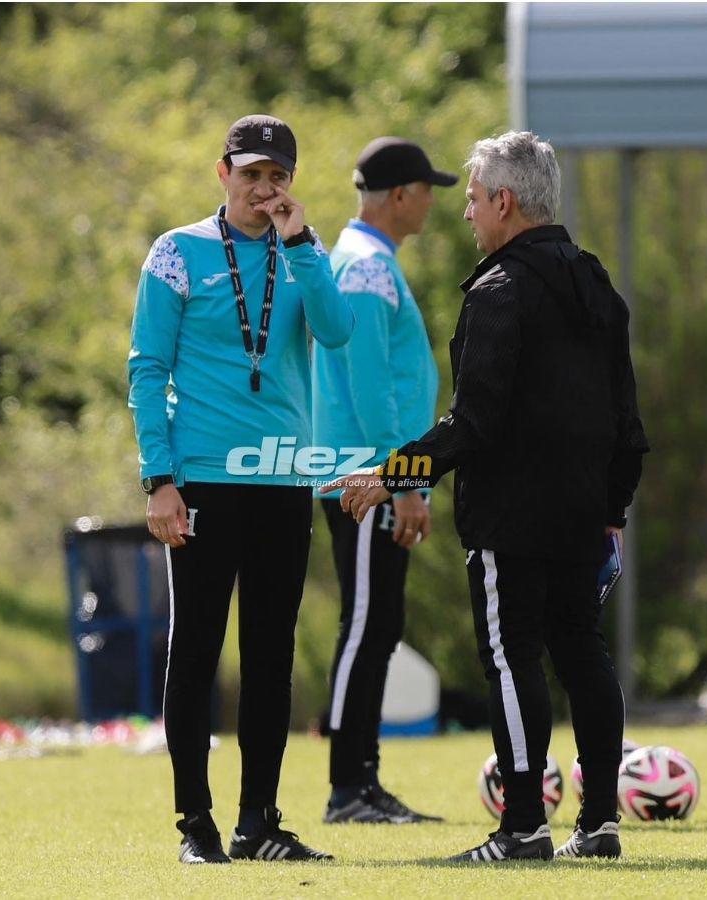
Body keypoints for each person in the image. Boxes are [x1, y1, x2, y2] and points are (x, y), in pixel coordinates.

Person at [322, 131, 649, 862]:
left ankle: (523, 825)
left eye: (473, 199)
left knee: (510, 657)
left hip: (513, 516)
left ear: (504, 202)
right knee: (583, 653)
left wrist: (392, 473)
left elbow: (476, 423)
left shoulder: (500, 290)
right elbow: (629, 423)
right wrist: (611, 512)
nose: (466, 214)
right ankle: (598, 823)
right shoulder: (597, 283)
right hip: (584, 513)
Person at [128, 114, 353, 864]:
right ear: (223, 173)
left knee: (269, 655)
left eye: (277, 175)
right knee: (194, 652)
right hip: (201, 483)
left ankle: (260, 821)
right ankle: (196, 825)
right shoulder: (176, 253)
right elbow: (146, 370)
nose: (264, 187)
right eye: (251, 173)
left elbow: (337, 330)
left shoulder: (303, 250)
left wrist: (301, 244)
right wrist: (159, 481)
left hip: (282, 480)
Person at [312, 137, 457, 824]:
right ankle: (348, 786)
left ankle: (362, 781)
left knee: (378, 623)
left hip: (372, 476)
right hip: (365, 480)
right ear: (399, 196)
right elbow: (373, 394)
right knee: (366, 624)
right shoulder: (366, 270)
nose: (433, 200)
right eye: (427, 188)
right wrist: (404, 484)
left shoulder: (368, 264)